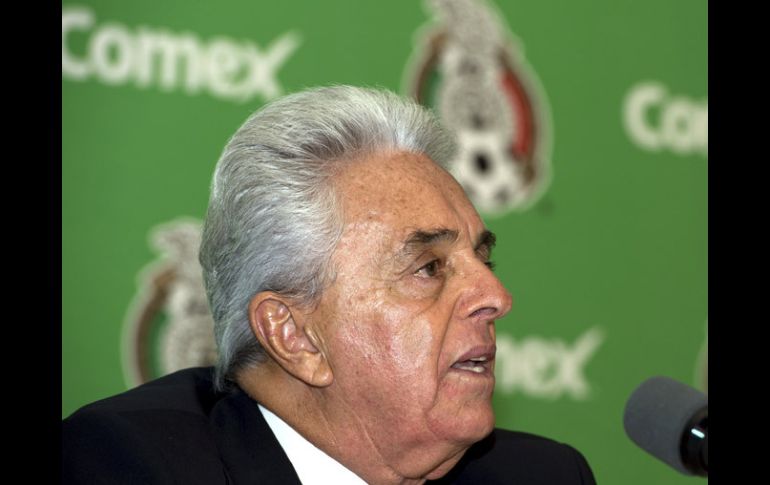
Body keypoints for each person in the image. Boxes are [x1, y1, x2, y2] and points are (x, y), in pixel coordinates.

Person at [62, 85, 596, 484]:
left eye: (483, 259)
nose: (496, 297)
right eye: (428, 268)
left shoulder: (541, 475)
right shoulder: (128, 465)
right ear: (295, 336)